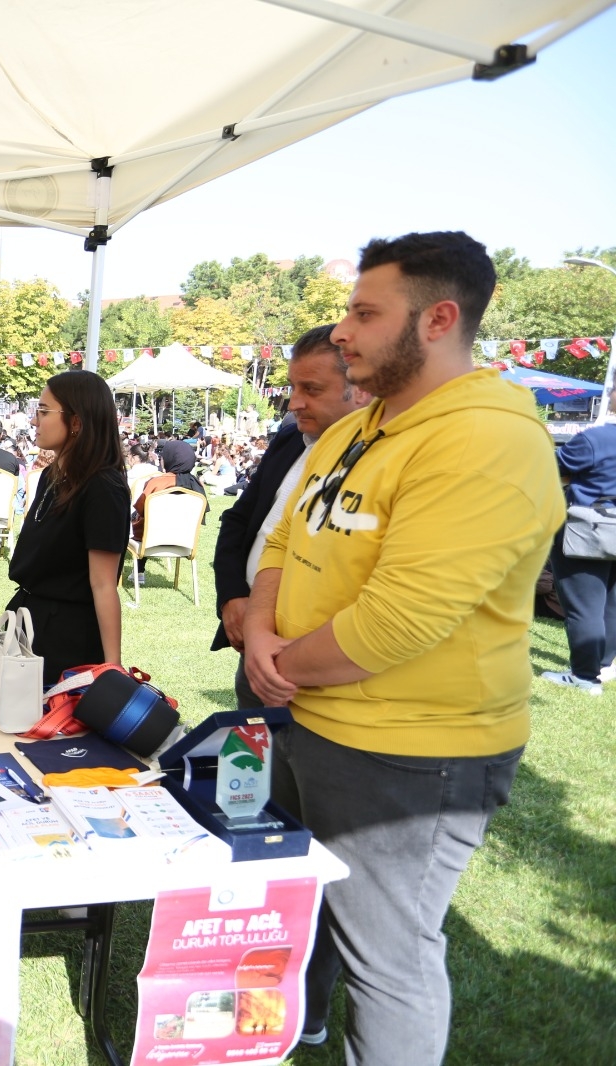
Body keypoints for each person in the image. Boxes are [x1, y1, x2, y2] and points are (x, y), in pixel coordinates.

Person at [243, 232, 562, 1065]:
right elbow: (284, 538)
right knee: (303, 903)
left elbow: (401, 620)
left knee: (387, 960)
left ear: (438, 319)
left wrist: (273, 663)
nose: (342, 331)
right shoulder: (369, 423)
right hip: (316, 718)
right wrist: (266, 635)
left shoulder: (487, 439)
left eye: (364, 312)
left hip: (413, 753)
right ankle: (298, 1026)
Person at [213, 325, 368, 704]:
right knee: (255, 759)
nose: (294, 403)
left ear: (360, 389)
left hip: (323, 662)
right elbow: (240, 521)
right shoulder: (289, 439)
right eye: (292, 388)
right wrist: (233, 597)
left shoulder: (379, 459)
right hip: (253, 642)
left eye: (311, 390)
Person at [6, 371, 130, 685]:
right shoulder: (51, 476)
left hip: (66, 639)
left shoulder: (103, 487)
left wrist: (112, 667)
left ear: (76, 421)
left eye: (44, 412)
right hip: (26, 620)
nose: (35, 421)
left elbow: (104, 585)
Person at [540, 418, 616, 693]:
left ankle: (585, 677)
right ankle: (603, 666)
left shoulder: (596, 438)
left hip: (588, 528)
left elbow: (548, 468)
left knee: (584, 607)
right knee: (611, 603)